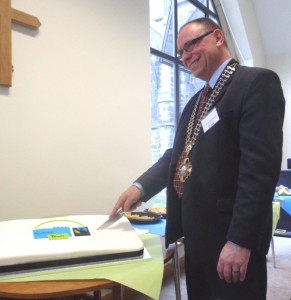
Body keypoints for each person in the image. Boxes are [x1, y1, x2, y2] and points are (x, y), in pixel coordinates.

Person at [110, 18, 285, 300]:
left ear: (217, 37)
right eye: (180, 52)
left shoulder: (255, 83)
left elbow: (259, 171)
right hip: (197, 238)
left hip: (231, 238)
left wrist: (239, 241)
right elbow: (177, 156)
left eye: (190, 45)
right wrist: (139, 187)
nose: (185, 56)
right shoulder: (195, 102)